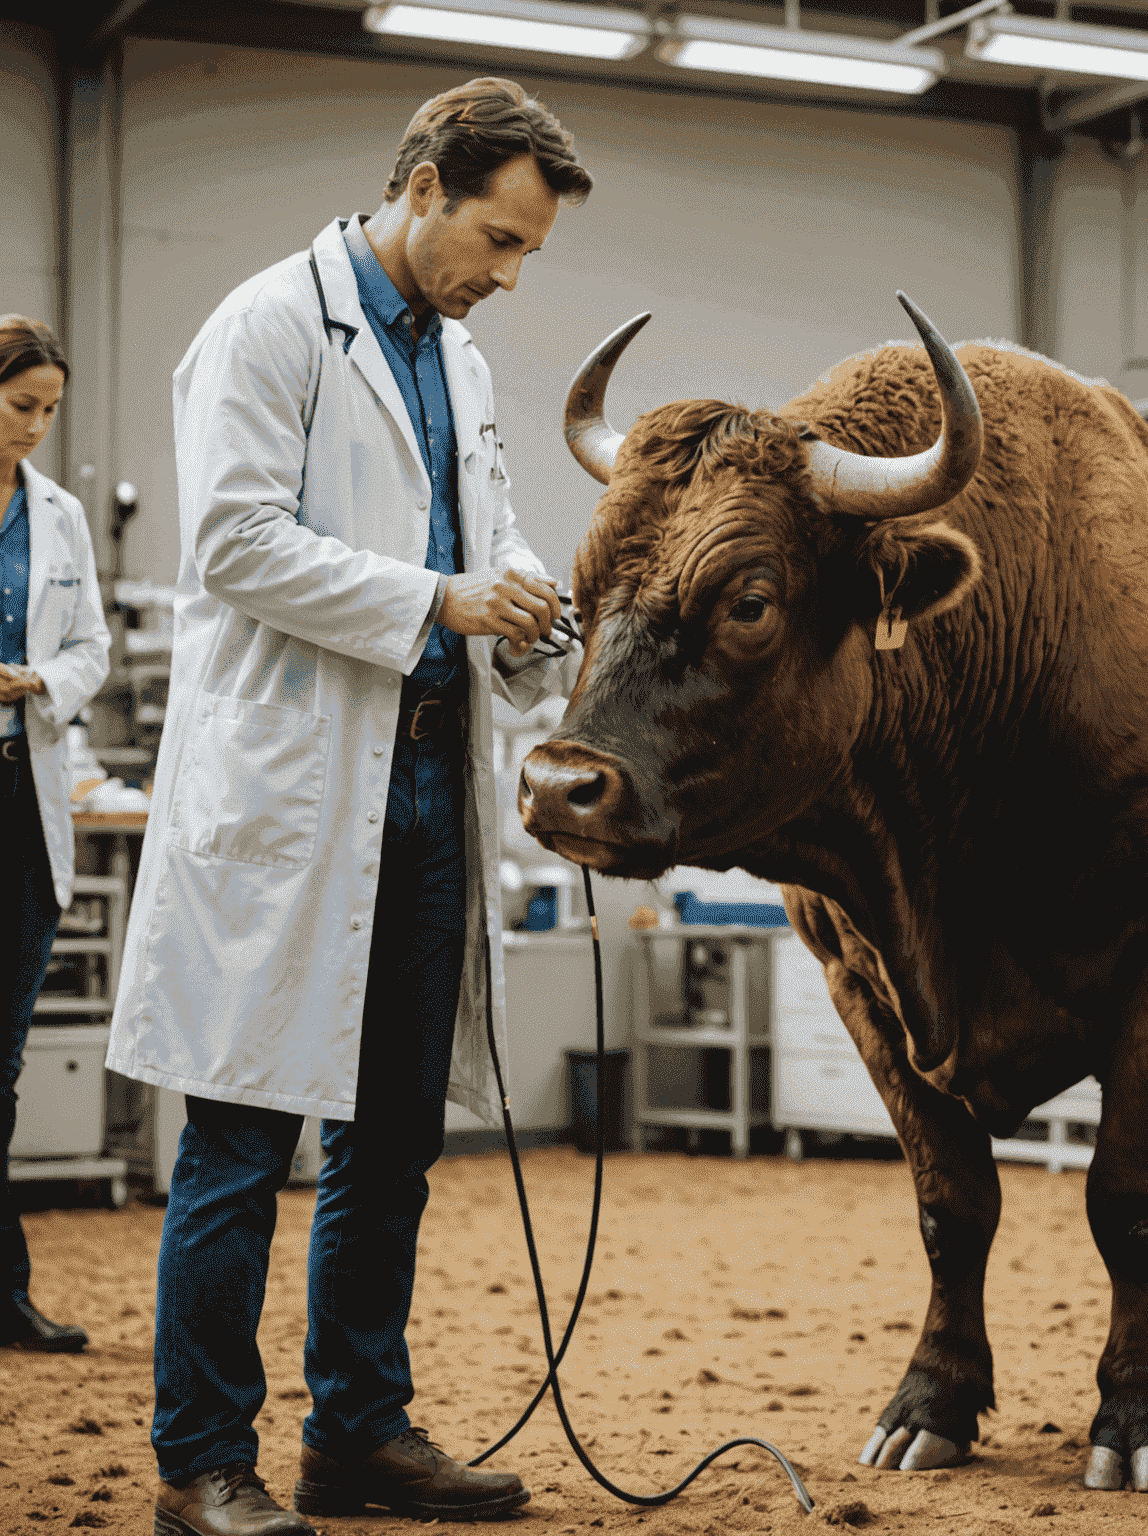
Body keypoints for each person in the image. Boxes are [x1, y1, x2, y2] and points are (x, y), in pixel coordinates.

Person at [105, 79, 589, 1535]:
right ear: (427, 185)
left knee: (394, 1145)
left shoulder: (466, 363)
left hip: (429, 790)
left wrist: (524, 619)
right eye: (497, 241)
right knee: (242, 1142)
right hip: (294, 792)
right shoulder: (267, 325)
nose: (505, 277)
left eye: (527, 257)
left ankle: (358, 1436)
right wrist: (439, 596)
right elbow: (240, 544)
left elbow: (486, 541)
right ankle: (203, 1458)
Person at [0, 316, 112, 1351]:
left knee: (2, 1062)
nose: (36, 427)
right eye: (20, 405)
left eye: (49, 412)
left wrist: (42, 679)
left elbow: (92, 647)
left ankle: (4, 1293)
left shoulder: (59, 516)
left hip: (20, 797)